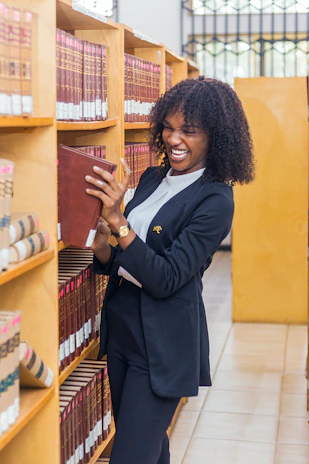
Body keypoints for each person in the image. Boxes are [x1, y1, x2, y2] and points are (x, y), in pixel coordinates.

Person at [85, 76, 255, 464]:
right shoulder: (151, 178)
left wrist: (120, 224)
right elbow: (128, 263)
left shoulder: (215, 199)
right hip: (122, 329)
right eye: (169, 127)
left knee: (129, 456)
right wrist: (103, 249)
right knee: (149, 450)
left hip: (162, 344)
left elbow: (165, 279)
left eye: (189, 131)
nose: (174, 139)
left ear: (216, 137)